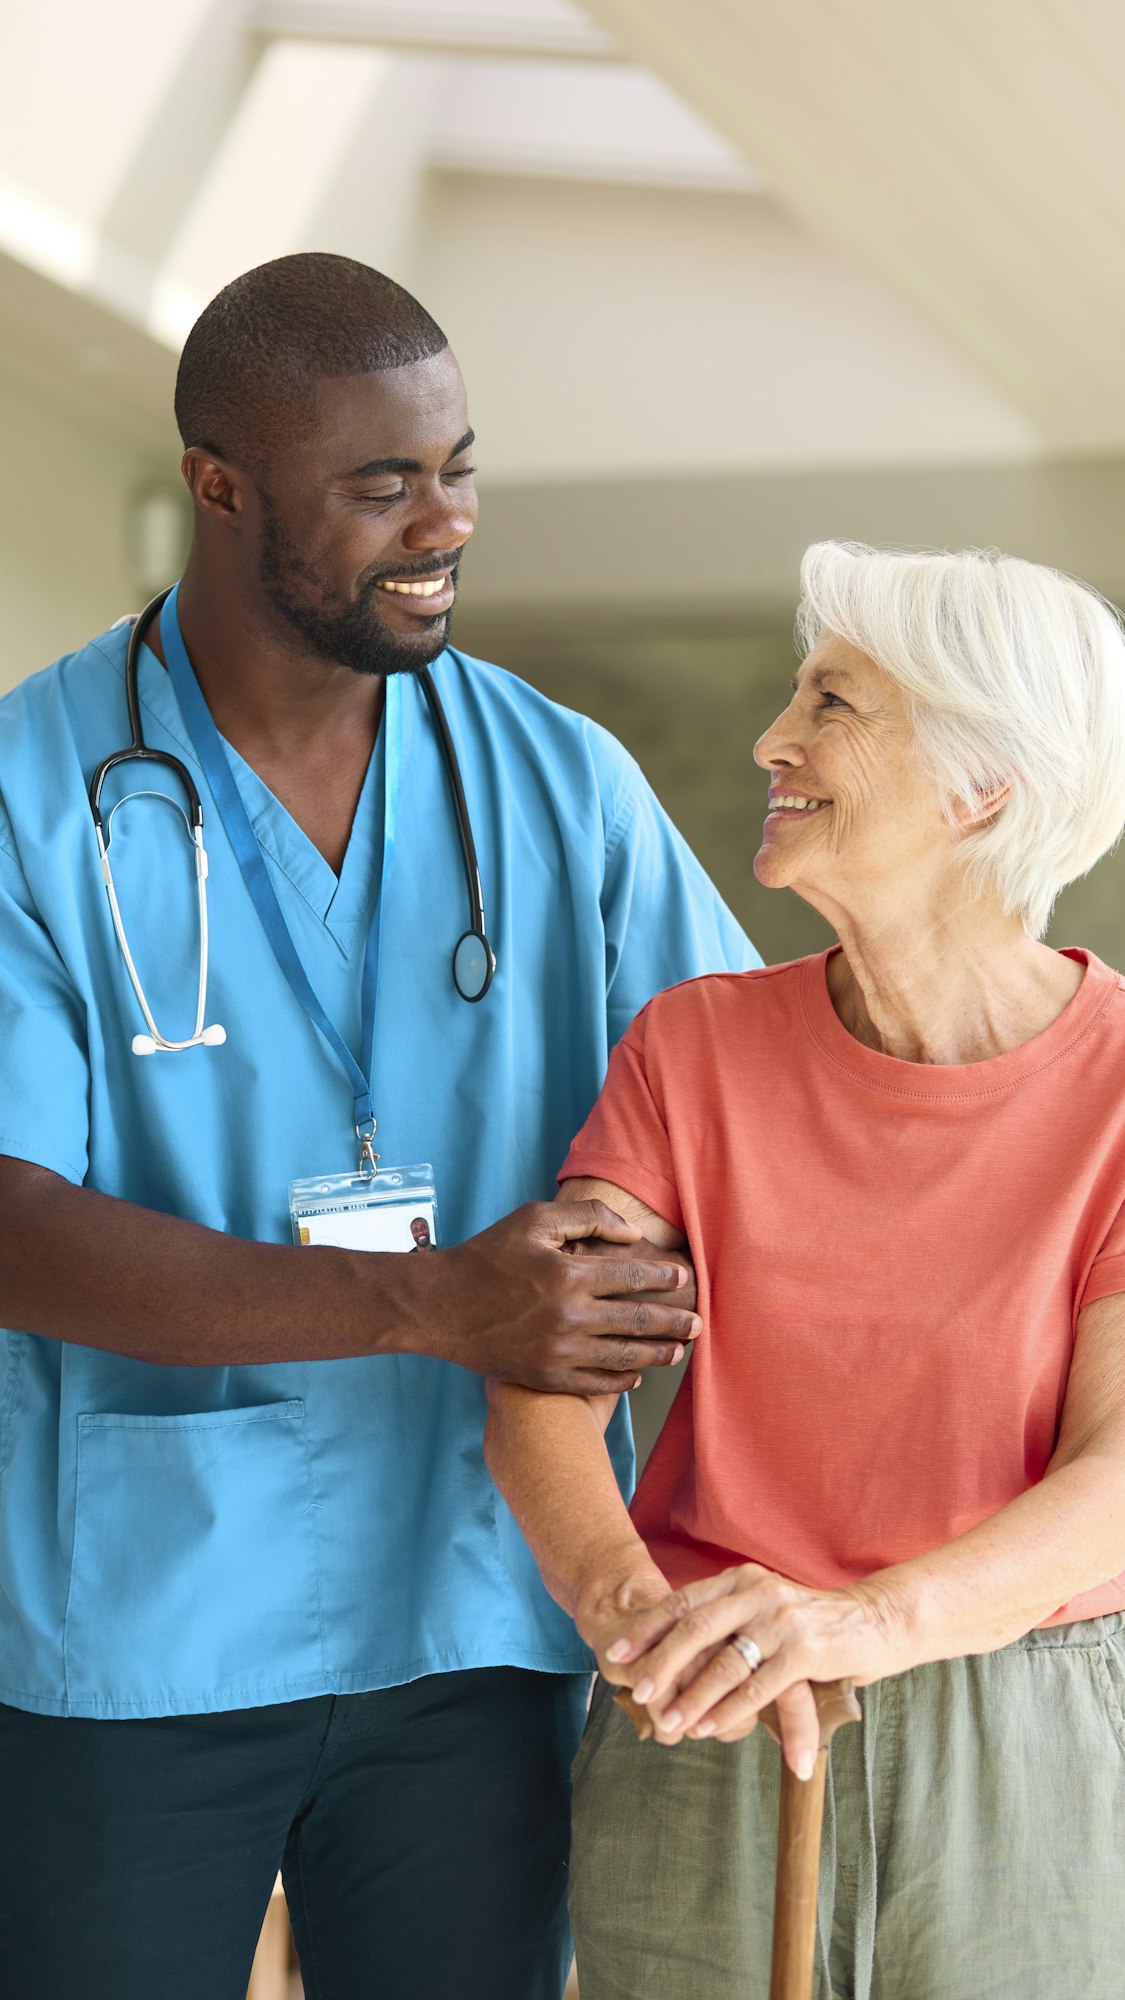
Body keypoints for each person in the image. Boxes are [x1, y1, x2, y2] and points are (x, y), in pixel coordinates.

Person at [0, 252, 755, 2000]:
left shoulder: (559, 782)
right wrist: (425, 1303)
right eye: (381, 484)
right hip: (140, 1627)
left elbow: (741, 1112)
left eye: (460, 467)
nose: (445, 523)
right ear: (220, 486)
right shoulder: (35, 796)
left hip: (484, 1616)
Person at [486, 541, 1125, 2000]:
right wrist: (637, 1626)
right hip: (699, 1696)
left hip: (1023, 1714)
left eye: (831, 704)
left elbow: (1114, 1467)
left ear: (981, 785)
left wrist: (862, 1623)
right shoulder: (690, 1050)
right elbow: (545, 1389)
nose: (772, 740)